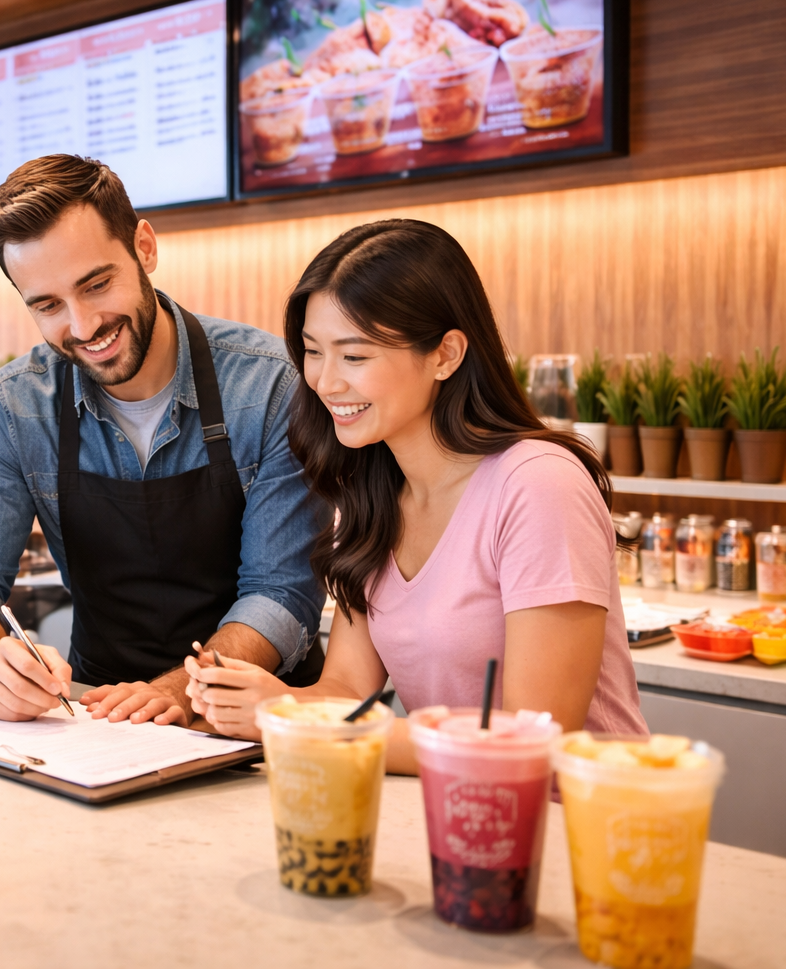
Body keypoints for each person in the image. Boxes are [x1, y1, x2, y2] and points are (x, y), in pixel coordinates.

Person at [184, 219, 647, 770]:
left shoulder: (539, 484)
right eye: (312, 352)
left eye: (354, 357)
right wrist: (250, 697)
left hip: (576, 825)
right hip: (451, 815)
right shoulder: (370, 494)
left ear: (446, 354)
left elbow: (534, 740)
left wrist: (288, 724)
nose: (325, 382)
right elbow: (347, 692)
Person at [0, 155, 325, 726]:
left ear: (145, 248)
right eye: (48, 305)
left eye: (97, 284)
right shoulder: (15, 404)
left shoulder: (271, 384)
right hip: (98, 717)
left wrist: (183, 688)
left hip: (255, 723)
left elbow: (280, 592)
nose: (83, 326)